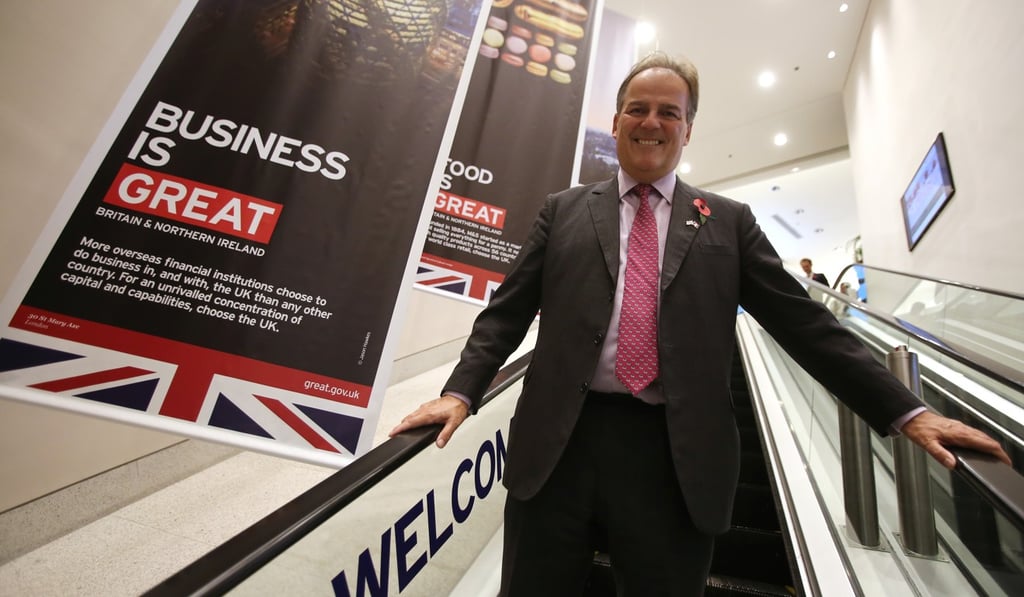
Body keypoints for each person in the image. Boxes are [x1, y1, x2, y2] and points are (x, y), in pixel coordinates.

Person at [390, 52, 1010, 596]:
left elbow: (806, 327)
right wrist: (460, 392)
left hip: (676, 460)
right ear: (615, 121)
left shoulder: (729, 223)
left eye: (668, 111)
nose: (651, 122)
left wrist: (908, 412)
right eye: (637, 108)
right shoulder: (564, 210)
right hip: (558, 451)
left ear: (688, 128)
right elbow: (507, 312)